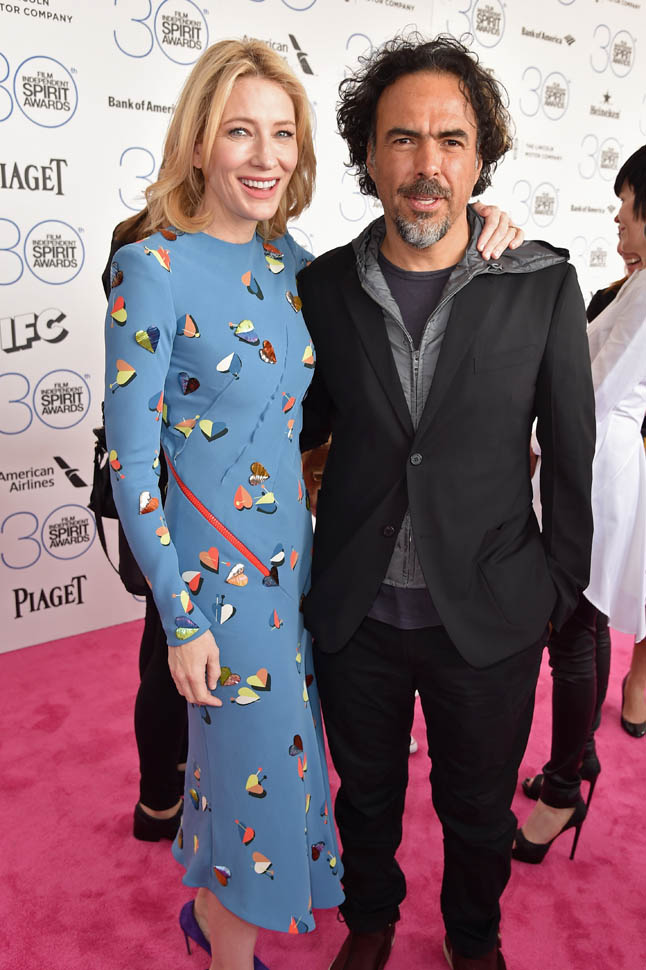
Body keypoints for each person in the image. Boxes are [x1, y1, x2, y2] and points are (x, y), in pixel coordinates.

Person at [298, 35, 595, 970]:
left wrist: (558, 591)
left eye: (451, 140)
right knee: (365, 796)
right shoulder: (321, 288)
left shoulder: (541, 283)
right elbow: (300, 425)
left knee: (476, 806)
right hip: (357, 614)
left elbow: (573, 454)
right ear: (368, 155)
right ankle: (371, 921)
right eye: (402, 138)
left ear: (479, 157)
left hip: (492, 613)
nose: (427, 164)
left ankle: (473, 936)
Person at [103, 39, 344, 970]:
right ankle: (232, 954)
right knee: (257, 784)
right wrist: (180, 618)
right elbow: (133, 464)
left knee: (265, 766)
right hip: (216, 584)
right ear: (199, 140)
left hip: (294, 564)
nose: (266, 156)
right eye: (241, 131)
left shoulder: (293, 263)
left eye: (283, 134)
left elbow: (397, 278)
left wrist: (486, 223)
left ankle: (209, 919)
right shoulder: (151, 268)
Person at [515, 162, 646, 861]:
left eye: (627, 204)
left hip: (594, 465)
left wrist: (529, 434)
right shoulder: (637, 286)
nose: (619, 218)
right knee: (584, 622)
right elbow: (580, 358)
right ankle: (579, 756)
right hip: (588, 462)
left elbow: (594, 391)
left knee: (571, 628)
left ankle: (563, 792)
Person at [101, 211, 189, 843]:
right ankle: (159, 798)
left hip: (184, 477)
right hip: (164, 482)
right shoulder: (143, 245)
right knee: (167, 646)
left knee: (161, 637)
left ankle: (167, 784)